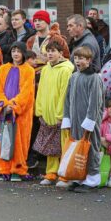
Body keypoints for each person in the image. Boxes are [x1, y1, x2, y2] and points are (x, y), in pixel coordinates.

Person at [60, 46, 105, 192]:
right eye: (76, 58)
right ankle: (79, 177)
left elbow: (95, 102)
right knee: (78, 149)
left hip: (89, 122)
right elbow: (67, 99)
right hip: (75, 121)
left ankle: (92, 179)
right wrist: (67, 118)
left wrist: (90, 121)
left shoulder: (94, 78)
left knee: (90, 148)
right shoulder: (74, 77)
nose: (78, 61)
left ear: (89, 60)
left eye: (82, 58)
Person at [0, 42, 36, 182]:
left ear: (23, 53)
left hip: (21, 114)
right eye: (13, 51)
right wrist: (4, 105)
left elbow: (27, 92)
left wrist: (14, 106)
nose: (16, 54)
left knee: (19, 141)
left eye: (18, 51)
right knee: (2, 140)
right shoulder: (2, 69)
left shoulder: (29, 70)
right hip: (4, 113)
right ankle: (3, 169)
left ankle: (18, 169)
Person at [33, 40, 74, 185]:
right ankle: (51, 172)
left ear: (61, 53)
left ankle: (64, 174)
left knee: (63, 144)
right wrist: (39, 110)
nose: (50, 54)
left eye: (53, 51)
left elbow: (64, 93)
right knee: (50, 144)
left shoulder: (66, 69)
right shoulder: (46, 69)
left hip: (59, 115)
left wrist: (60, 114)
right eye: (48, 51)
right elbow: (41, 90)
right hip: (46, 112)